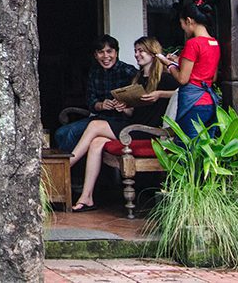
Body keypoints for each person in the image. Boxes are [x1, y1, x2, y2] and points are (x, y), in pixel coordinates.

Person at [68, 36, 179, 212]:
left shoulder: (165, 78)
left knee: (96, 125)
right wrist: (124, 106)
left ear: (153, 52)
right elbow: (134, 112)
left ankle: (67, 165)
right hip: (134, 127)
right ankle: (86, 197)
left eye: (141, 50)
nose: (137, 54)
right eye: (135, 51)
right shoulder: (138, 77)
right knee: (97, 143)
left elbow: (184, 91)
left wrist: (159, 94)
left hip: (150, 131)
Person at [53, 35, 138, 154]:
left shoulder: (128, 71)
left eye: (109, 51)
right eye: (100, 52)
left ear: (116, 53)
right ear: (95, 55)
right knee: (60, 133)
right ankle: (70, 167)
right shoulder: (94, 72)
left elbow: (139, 99)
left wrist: (125, 105)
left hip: (121, 121)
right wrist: (101, 105)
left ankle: (67, 168)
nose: (105, 56)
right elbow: (90, 101)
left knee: (72, 133)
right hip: (100, 118)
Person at [160, 0, 221, 138]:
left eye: (181, 24)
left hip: (192, 103)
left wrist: (168, 65)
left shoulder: (193, 44)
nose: (183, 28)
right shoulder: (214, 43)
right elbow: (213, 76)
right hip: (209, 102)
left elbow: (182, 79)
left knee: (188, 146)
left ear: (188, 21)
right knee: (206, 146)